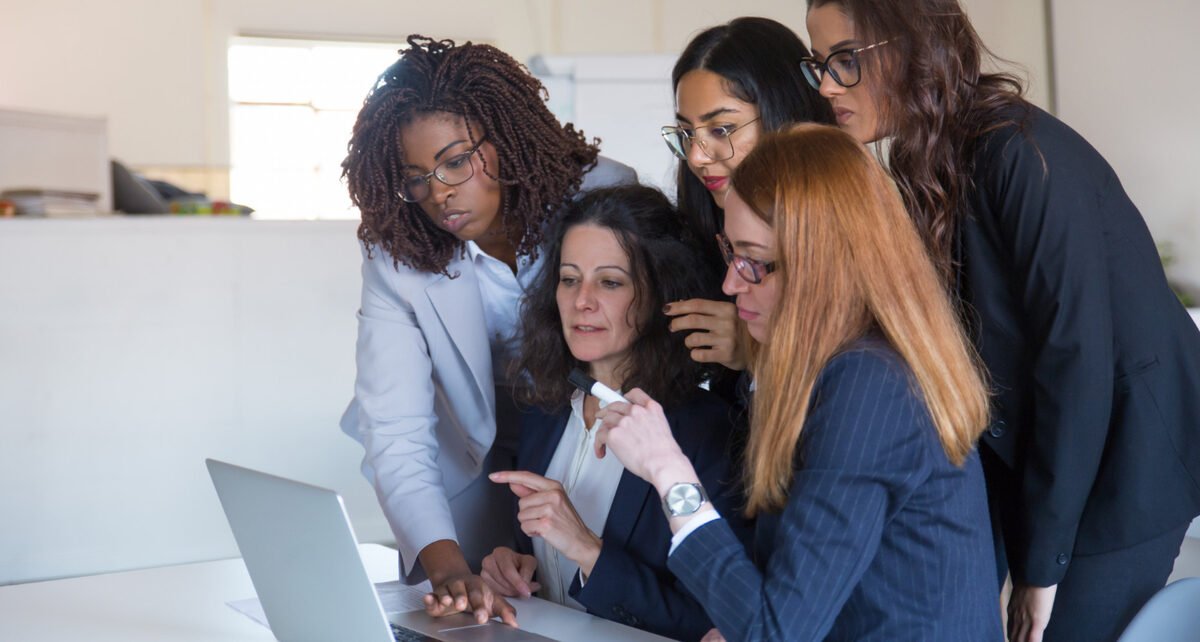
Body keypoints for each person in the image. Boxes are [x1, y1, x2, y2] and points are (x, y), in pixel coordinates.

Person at [803, 2, 1200, 640]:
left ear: (910, 47)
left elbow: (1075, 366)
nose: (826, 85)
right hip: (1044, 446)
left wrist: (1039, 571)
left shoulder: (1018, 152)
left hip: (1128, 457)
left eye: (845, 61)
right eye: (819, 64)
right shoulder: (923, 155)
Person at [596, 124, 1003, 641]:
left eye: (754, 262)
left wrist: (668, 470)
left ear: (823, 267)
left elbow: (777, 632)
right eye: (731, 251)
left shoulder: (868, 385)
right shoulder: (835, 368)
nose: (729, 282)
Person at [339, 35, 635, 627]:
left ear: (506, 135)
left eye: (455, 161)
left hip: (588, 440)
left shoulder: (602, 195)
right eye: (415, 177)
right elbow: (395, 423)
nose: (439, 193)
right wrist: (445, 564)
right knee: (470, 614)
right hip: (471, 457)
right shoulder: (398, 251)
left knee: (583, 604)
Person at [480, 185, 748, 640]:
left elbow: (712, 622)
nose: (582, 300)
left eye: (610, 281)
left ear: (660, 292)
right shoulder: (543, 410)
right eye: (569, 279)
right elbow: (540, 562)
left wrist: (587, 551)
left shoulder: (709, 431)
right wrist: (515, 565)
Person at [660, 17, 835, 387]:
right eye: (687, 133)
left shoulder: (846, 239)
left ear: (783, 115)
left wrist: (756, 352)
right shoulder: (690, 236)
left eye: (720, 130)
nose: (696, 157)